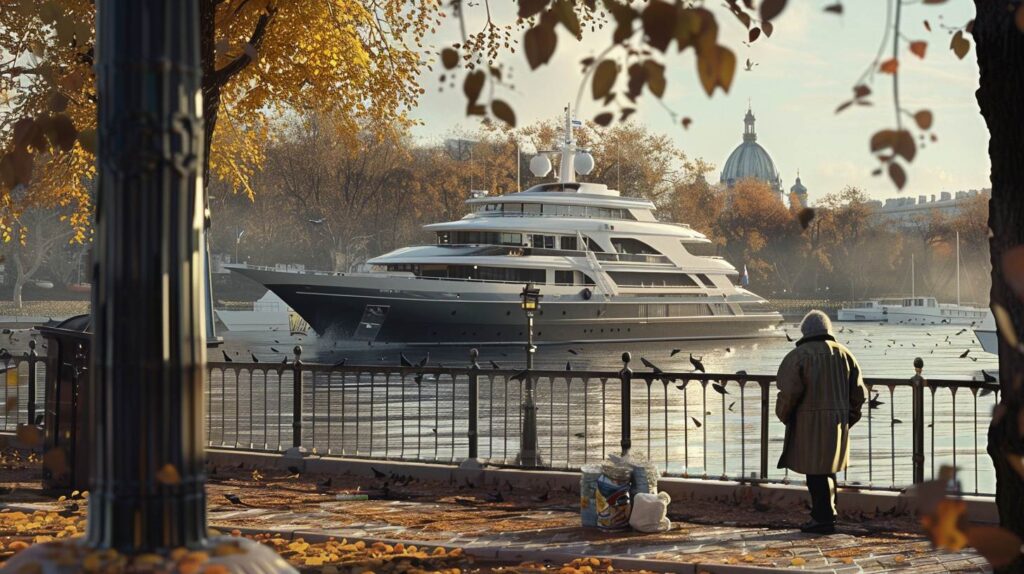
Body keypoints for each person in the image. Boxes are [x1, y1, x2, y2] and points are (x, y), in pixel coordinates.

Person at [776, 310, 867, 534]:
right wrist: (847, 419)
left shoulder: (798, 356)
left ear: (805, 331)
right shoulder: (846, 355)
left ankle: (822, 518)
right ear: (828, 330)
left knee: (814, 473)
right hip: (837, 422)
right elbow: (859, 394)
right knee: (828, 470)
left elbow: (788, 393)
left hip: (808, 423)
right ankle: (827, 514)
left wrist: (785, 416)